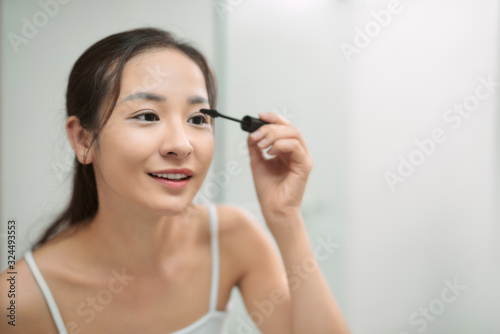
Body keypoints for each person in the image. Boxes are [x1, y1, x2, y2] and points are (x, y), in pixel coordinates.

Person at [0, 27, 350, 334]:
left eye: (198, 119)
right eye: (147, 115)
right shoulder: (17, 300)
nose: (181, 145)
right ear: (83, 140)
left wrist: (285, 218)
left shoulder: (233, 238)